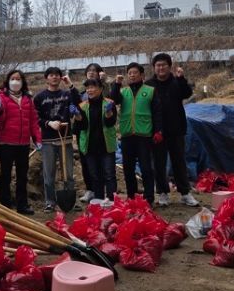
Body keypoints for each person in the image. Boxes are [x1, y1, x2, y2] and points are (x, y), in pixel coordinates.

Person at [146, 53, 199, 207]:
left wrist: (182, 79)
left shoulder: (177, 82)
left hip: (176, 129)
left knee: (179, 162)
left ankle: (185, 193)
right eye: (158, 65)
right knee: (159, 163)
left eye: (164, 65)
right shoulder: (149, 85)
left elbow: (187, 93)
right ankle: (163, 193)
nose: (161, 68)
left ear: (169, 67)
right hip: (157, 131)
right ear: (154, 68)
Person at [110, 62, 161, 205]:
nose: (132, 75)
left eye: (135, 73)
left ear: (142, 75)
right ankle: (131, 197)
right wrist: (116, 84)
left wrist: (158, 131)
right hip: (127, 135)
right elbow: (113, 100)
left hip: (144, 135)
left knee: (146, 168)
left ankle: (149, 198)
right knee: (128, 168)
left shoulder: (150, 91)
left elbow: (157, 113)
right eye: (129, 73)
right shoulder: (123, 91)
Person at [0, 69, 42, 215]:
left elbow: (33, 121)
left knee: (22, 176)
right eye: (13, 79)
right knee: (5, 175)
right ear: (8, 81)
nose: (15, 81)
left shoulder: (27, 99)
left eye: (18, 79)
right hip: (6, 143)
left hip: (23, 144)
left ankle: (22, 205)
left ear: (22, 82)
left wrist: (37, 139)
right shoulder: (2, 97)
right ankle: (5, 205)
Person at [33, 66, 81, 212]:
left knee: (68, 173)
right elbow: (35, 117)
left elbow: (79, 101)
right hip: (48, 140)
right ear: (46, 78)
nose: (54, 77)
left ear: (60, 78)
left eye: (57, 75)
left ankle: (70, 201)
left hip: (65, 139)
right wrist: (48, 123)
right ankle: (50, 202)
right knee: (49, 174)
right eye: (51, 75)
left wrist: (70, 84)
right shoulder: (40, 97)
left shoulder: (67, 95)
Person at [75, 78, 118, 203]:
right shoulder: (83, 105)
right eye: (88, 88)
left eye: (93, 87)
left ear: (100, 89)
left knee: (109, 175)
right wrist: (78, 116)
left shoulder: (109, 103)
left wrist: (109, 113)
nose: (90, 90)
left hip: (106, 145)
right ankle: (98, 200)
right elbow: (81, 127)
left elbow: (111, 123)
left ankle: (111, 201)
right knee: (95, 175)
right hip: (89, 146)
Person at [78, 63, 111, 203]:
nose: (91, 72)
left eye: (94, 70)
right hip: (86, 136)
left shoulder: (105, 92)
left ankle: (107, 195)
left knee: (106, 170)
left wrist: (105, 82)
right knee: (88, 166)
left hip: (103, 137)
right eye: (89, 70)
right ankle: (92, 191)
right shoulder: (82, 94)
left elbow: (110, 100)